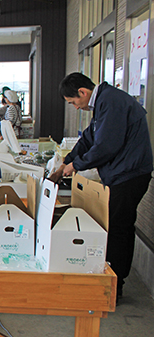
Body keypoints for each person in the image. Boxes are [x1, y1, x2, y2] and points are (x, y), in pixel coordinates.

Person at [50, 72, 153, 300]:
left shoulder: (111, 102)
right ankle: (109, 280)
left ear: (83, 93)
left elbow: (106, 146)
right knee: (115, 226)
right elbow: (88, 139)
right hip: (121, 174)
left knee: (118, 228)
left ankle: (115, 287)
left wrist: (76, 165)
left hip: (130, 175)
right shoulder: (103, 102)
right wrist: (66, 162)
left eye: (73, 102)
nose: (75, 108)